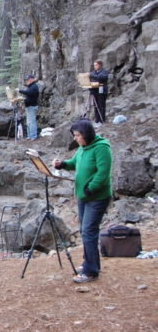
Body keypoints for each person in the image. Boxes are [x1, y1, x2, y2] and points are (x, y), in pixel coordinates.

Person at [51, 119, 112, 283]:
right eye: (75, 136)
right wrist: (62, 164)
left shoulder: (101, 148)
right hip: (83, 197)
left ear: (86, 135)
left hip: (96, 197)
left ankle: (91, 271)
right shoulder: (83, 148)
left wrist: (91, 188)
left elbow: (103, 172)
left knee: (88, 231)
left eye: (78, 135)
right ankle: (88, 262)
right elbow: (74, 163)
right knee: (85, 230)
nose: (76, 139)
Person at [19, 75, 39, 140]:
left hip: (32, 106)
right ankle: (29, 135)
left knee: (32, 122)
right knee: (28, 122)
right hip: (28, 106)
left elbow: (29, 93)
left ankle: (33, 136)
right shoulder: (30, 86)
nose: (27, 81)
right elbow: (28, 95)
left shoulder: (34, 86)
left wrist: (20, 91)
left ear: (31, 79)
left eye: (27, 80)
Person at [89, 59, 109, 124]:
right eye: (94, 65)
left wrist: (90, 75)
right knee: (96, 106)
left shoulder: (104, 71)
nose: (95, 66)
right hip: (95, 91)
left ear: (100, 65)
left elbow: (100, 78)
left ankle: (102, 120)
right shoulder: (93, 72)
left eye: (96, 65)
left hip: (102, 91)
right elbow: (91, 79)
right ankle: (97, 120)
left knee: (101, 105)